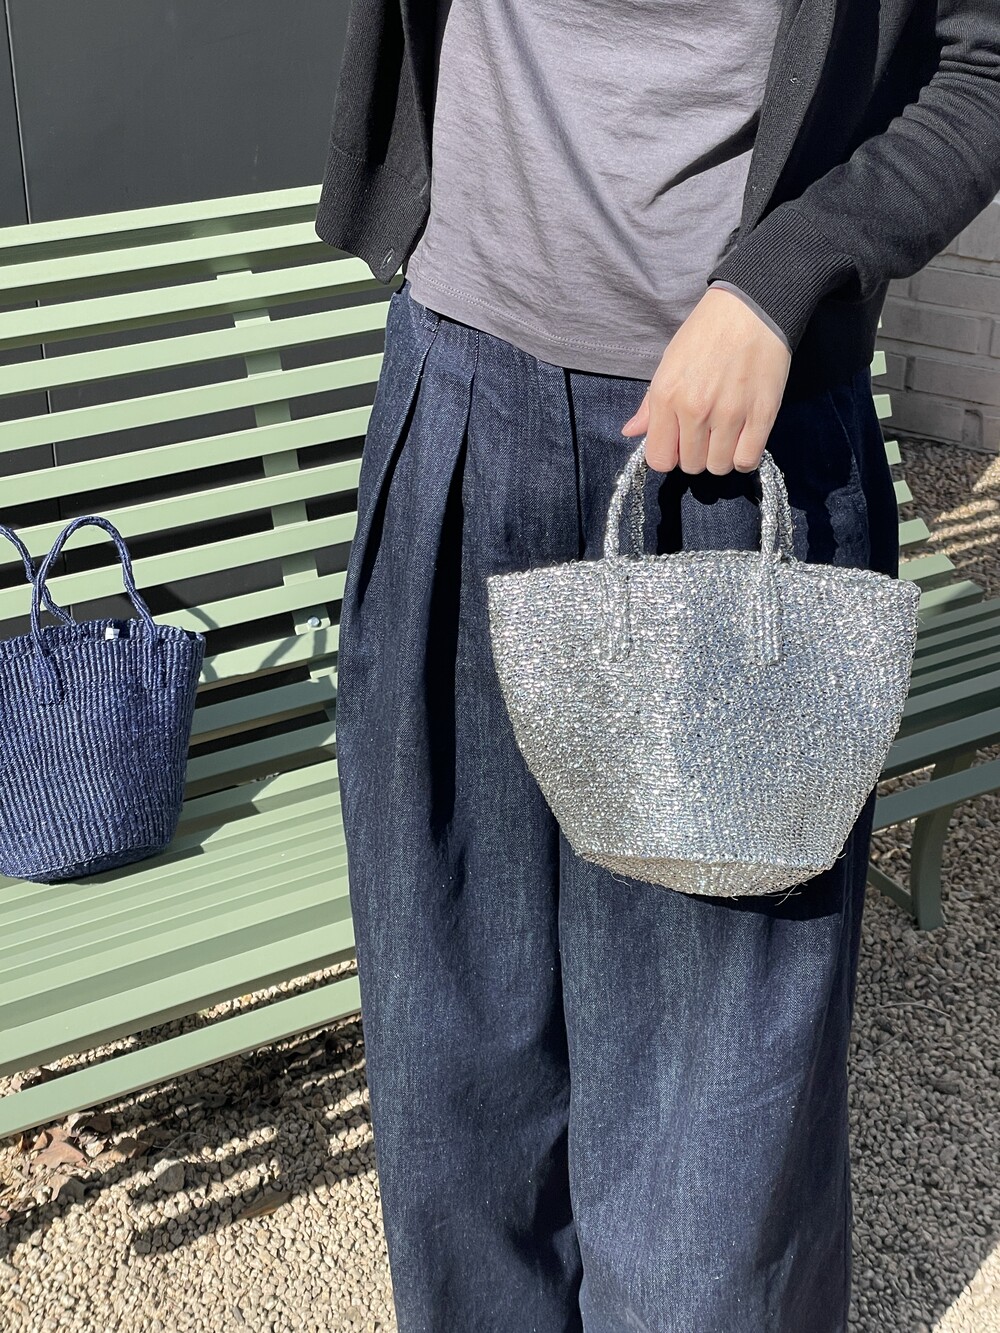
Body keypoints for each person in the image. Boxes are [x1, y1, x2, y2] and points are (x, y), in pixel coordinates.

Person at [315, 2, 1000, 1328]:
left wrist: (795, 267)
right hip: (458, 397)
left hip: (739, 456)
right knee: (453, 1065)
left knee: (715, 1141)